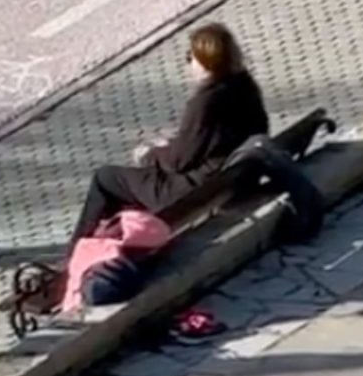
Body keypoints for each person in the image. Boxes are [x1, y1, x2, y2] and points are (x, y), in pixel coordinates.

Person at [70, 23, 269, 245]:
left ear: (205, 62)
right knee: (137, 179)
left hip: (192, 192)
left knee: (106, 178)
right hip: (230, 177)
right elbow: (211, 140)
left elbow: (178, 162)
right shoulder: (244, 86)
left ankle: (75, 253)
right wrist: (171, 145)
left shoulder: (205, 102)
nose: (189, 63)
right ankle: (111, 241)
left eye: (190, 57)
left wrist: (150, 154)